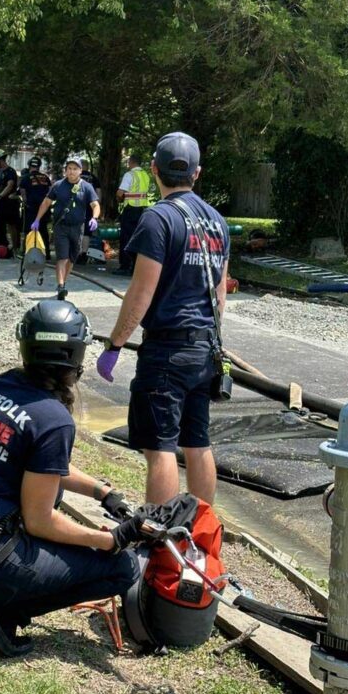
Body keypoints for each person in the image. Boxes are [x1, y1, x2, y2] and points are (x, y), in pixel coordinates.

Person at [0, 299, 144, 656]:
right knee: (123, 567)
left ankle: (2, 594)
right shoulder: (54, 418)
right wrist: (109, 540)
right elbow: (40, 521)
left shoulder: (1, 385)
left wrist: (103, 493)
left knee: (55, 507)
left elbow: (41, 465)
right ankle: (6, 606)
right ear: (75, 355)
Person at [96, 132, 230, 506]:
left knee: (160, 449)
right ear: (197, 173)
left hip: (166, 351)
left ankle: (159, 537)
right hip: (204, 347)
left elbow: (141, 294)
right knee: (197, 442)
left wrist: (115, 345)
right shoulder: (217, 221)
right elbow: (220, 296)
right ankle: (201, 534)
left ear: (154, 169)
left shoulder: (158, 219)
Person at [31, 158, 100, 300]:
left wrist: (95, 217)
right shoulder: (58, 185)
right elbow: (46, 202)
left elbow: (95, 205)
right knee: (62, 257)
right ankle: (61, 286)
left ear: (80, 171)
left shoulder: (86, 187)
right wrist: (37, 220)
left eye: (75, 169)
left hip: (77, 227)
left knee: (72, 258)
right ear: (65, 170)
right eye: (69, 168)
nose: (72, 171)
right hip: (60, 227)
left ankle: (64, 281)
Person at [113, 154, 151, 276]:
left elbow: (120, 193)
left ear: (131, 162)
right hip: (143, 210)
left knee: (126, 238)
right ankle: (135, 266)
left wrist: (119, 199)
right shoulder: (146, 175)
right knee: (138, 238)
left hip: (130, 209)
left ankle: (125, 265)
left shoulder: (129, 175)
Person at [19, 156, 51, 256]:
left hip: (31, 208)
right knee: (43, 230)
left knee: (29, 229)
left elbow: (23, 194)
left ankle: (28, 252)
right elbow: (50, 192)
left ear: (29, 166)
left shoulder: (25, 178)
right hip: (44, 207)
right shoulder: (45, 177)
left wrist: (25, 203)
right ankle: (46, 253)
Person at [78, 165, 102, 266]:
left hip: (78, 204)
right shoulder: (93, 177)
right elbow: (99, 191)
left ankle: (77, 252)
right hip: (90, 204)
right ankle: (84, 253)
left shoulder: (76, 176)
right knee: (87, 231)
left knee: (77, 227)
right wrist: (98, 203)